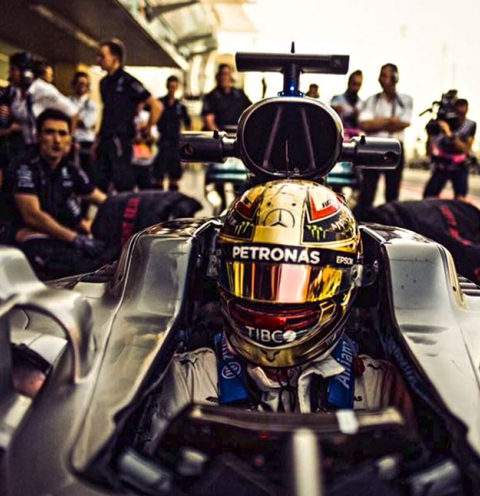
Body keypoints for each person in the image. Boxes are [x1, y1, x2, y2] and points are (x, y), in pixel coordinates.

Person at [145, 180, 418, 448]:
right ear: (218, 272)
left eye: (301, 281)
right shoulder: (187, 378)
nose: (276, 305)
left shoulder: (380, 385)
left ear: (353, 278)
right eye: (255, 278)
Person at [0, 109, 106, 277]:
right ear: (38, 136)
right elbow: (32, 215)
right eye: (49, 132)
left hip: (50, 233)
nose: (57, 140)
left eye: (62, 134)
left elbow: (102, 199)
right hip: (15, 234)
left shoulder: (69, 168)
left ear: (69, 139)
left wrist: (130, 207)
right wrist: (76, 239)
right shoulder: (24, 164)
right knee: (73, 264)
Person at [93, 38, 162, 192]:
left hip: (121, 138)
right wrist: (98, 139)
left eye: (102, 56)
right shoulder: (104, 83)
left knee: (122, 182)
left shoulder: (128, 81)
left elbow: (156, 106)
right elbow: (106, 113)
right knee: (101, 181)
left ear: (115, 58)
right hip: (105, 138)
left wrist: (147, 129)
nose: (98, 60)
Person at [358, 63, 412, 208]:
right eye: (381, 75)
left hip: (395, 147)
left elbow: (404, 123)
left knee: (392, 192)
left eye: (385, 75)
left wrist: (376, 123)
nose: (381, 79)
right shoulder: (371, 100)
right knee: (367, 190)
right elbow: (364, 124)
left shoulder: (405, 100)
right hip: (373, 146)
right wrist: (390, 121)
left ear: (395, 78)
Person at [201, 63, 252, 207]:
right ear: (218, 77)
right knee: (217, 183)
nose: (225, 77)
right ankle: (221, 207)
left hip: (238, 142)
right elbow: (209, 119)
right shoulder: (211, 97)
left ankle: (237, 207)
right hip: (218, 143)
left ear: (231, 76)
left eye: (227, 74)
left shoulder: (239, 95)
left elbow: (251, 113)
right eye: (222, 74)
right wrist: (219, 138)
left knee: (240, 184)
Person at [422, 98, 477, 201]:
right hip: (442, 164)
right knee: (429, 195)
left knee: (461, 198)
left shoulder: (470, 125)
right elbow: (429, 151)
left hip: (460, 164)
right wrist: (430, 134)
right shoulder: (441, 123)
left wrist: (450, 135)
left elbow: (466, 149)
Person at [153, 75, 192, 191]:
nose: (172, 89)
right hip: (161, 142)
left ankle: (172, 199)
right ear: (167, 86)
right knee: (158, 175)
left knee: (174, 176)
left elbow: (188, 124)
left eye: (174, 87)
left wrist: (187, 144)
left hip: (175, 143)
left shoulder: (180, 106)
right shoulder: (159, 103)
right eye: (170, 87)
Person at [69, 71, 99, 183]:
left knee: (88, 174)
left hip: (86, 142)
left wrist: (72, 119)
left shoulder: (92, 105)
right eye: (79, 83)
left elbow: (88, 123)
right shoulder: (67, 101)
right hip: (71, 141)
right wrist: (77, 120)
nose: (81, 86)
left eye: (84, 84)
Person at [330, 70, 363, 137]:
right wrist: (335, 109)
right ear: (349, 82)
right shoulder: (337, 99)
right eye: (354, 84)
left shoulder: (361, 104)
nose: (356, 88)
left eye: (358, 85)